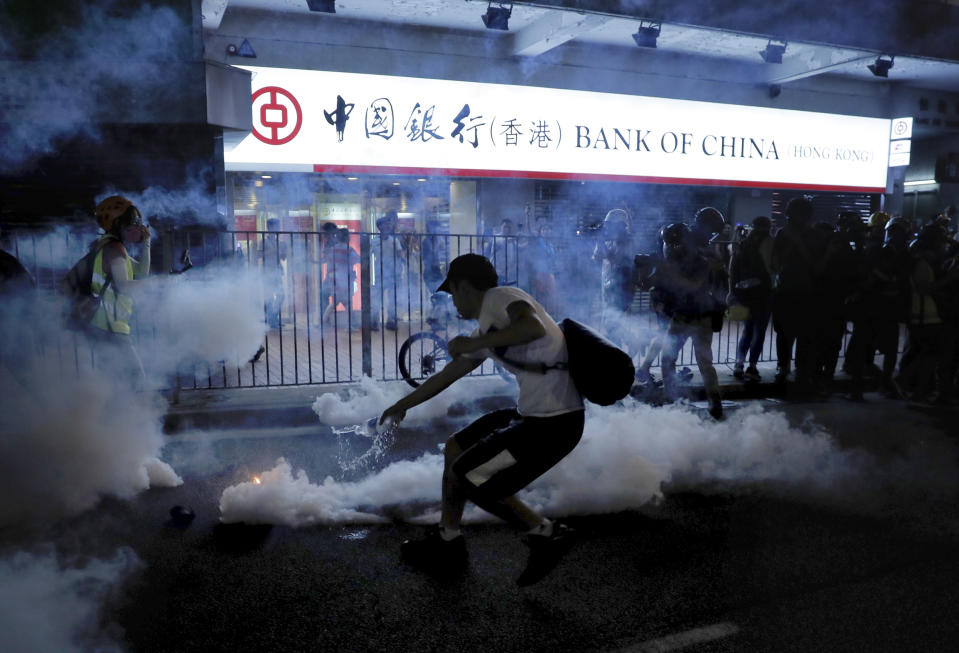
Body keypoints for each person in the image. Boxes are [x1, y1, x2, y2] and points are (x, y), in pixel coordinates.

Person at [380, 253, 585, 586]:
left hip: (553, 424)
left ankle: (546, 533)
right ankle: (448, 539)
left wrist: (477, 342)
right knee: (456, 449)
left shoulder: (501, 298)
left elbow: (531, 326)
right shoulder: (490, 325)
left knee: (469, 476)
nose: (453, 303)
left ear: (464, 287)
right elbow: (449, 374)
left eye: (452, 293)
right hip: (533, 416)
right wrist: (402, 404)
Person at [649, 222, 724, 419]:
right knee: (668, 360)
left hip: (698, 317)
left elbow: (692, 286)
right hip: (683, 316)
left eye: (672, 244)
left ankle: (714, 402)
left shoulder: (699, 261)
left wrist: (668, 270)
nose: (669, 248)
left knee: (703, 362)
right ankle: (673, 399)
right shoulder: (679, 260)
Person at [83, 196, 152, 389]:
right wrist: (159, 282)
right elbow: (124, 285)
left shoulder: (111, 245)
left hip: (103, 325)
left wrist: (146, 243)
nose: (139, 226)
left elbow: (140, 272)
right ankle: (135, 418)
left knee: (117, 382)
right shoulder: (113, 248)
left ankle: (110, 417)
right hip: (109, 326)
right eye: (133, 222)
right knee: (137, 381)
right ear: (118, 224)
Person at [770, 197, 819, 392]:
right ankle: (784, 367)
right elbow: (777, 261)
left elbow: (815, 263)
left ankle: (800, 369)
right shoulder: (783, 233)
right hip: (786, 289)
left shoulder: (812, 235)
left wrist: (797, 242)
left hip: (805, 290)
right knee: (783, 333)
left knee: (804, 334)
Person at [728, 216, 774, 382]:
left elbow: (732, 270)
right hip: (764, 292)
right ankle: (752, 367)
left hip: (744, 294)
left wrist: (732, 292)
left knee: (747, 330)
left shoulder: (742, 245)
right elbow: (773, 268)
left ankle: (739, 365)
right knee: (758, 332)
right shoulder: (770, 243)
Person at [592, 208, 639, 354]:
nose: (607, 227)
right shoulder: (611, 240)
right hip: (608, 287)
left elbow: (614, 259)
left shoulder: (625, 241)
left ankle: (632, 341)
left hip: (621, 289)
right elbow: (597, 257)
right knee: (610, 324)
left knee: (611, 323)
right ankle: (617, 355)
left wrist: (601, 241)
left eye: (610, 225)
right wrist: (599, 241)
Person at [372, 210, 406, 330]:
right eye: (385, 224)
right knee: (377, 298)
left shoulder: (394, 240)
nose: (387, 226)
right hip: (379, 273)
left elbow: (400, 254)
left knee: (392, 299)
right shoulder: (374, 241)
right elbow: (366, 255)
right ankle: (374, 322)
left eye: (388, 224)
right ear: (380, 227)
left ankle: (390, 321)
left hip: (393, 273)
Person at [321, 227, 360, 328]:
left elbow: (328, 263)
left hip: (335, 281)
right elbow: (356, 260)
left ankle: (323, 322)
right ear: (347, 238)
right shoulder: (349, 249)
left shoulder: (332, 250)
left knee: (336, 303)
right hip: (345, 281)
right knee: (345, 303)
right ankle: (350, 325)